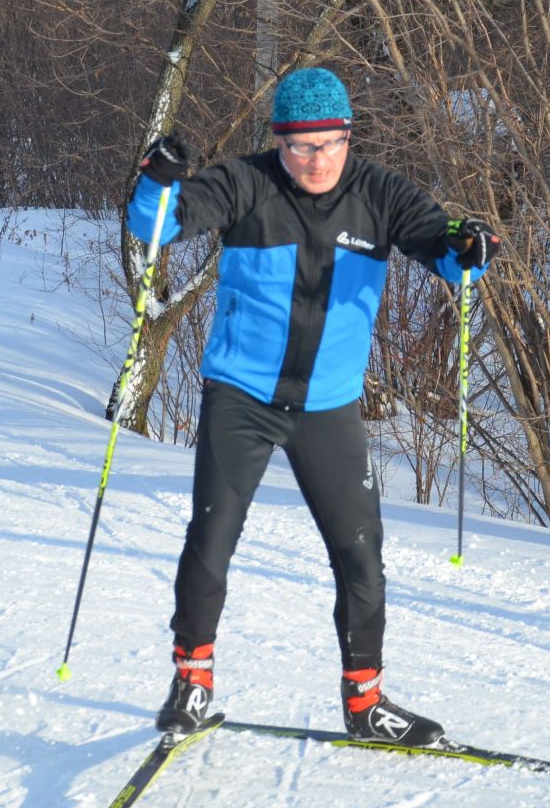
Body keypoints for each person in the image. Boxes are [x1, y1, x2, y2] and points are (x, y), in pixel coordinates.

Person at [128, 67, 499, 745]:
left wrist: (468, 247)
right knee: (212, 538)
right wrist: (156, 179)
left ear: (349, 138)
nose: (317, 160)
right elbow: (162, 226)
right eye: (301, 147)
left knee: (361, 555)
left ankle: (366, 704)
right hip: (241, 396)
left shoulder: (379, 193)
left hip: (328, 408)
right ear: (279, 142)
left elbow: (445, 249)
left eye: (330, 144)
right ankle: (193, 683)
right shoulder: (247, 184)